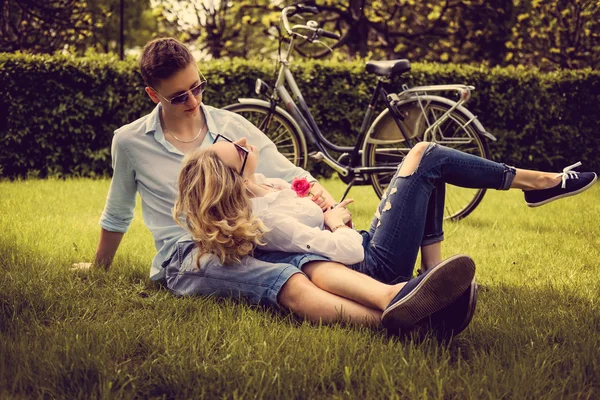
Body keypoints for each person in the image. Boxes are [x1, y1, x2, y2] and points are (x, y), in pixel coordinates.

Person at [72, 38, 388, 331]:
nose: (193, 101)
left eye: (197, 87)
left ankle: (399, 300)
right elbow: (118, 211)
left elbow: (296, 177)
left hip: (243, 241)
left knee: (309, 263)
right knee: (287, 278)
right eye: (179, 97)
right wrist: (99, 266)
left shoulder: (231, 125)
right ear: (153, 95)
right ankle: (397, 322)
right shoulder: (129, 141)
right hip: (188, 254)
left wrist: (332, 214)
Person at [173, 134, 597, 336]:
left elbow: (312, 212)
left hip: (360, 249)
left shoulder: (267, 185)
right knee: (425, 156)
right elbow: (340, 249)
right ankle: (540, 183)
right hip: (367, 260)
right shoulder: (267, 218)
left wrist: (321, 205)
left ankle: (432, 278)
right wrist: (336, 222)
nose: (245, 141)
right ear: (231, 174)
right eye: (239, 149)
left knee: (428, 171)